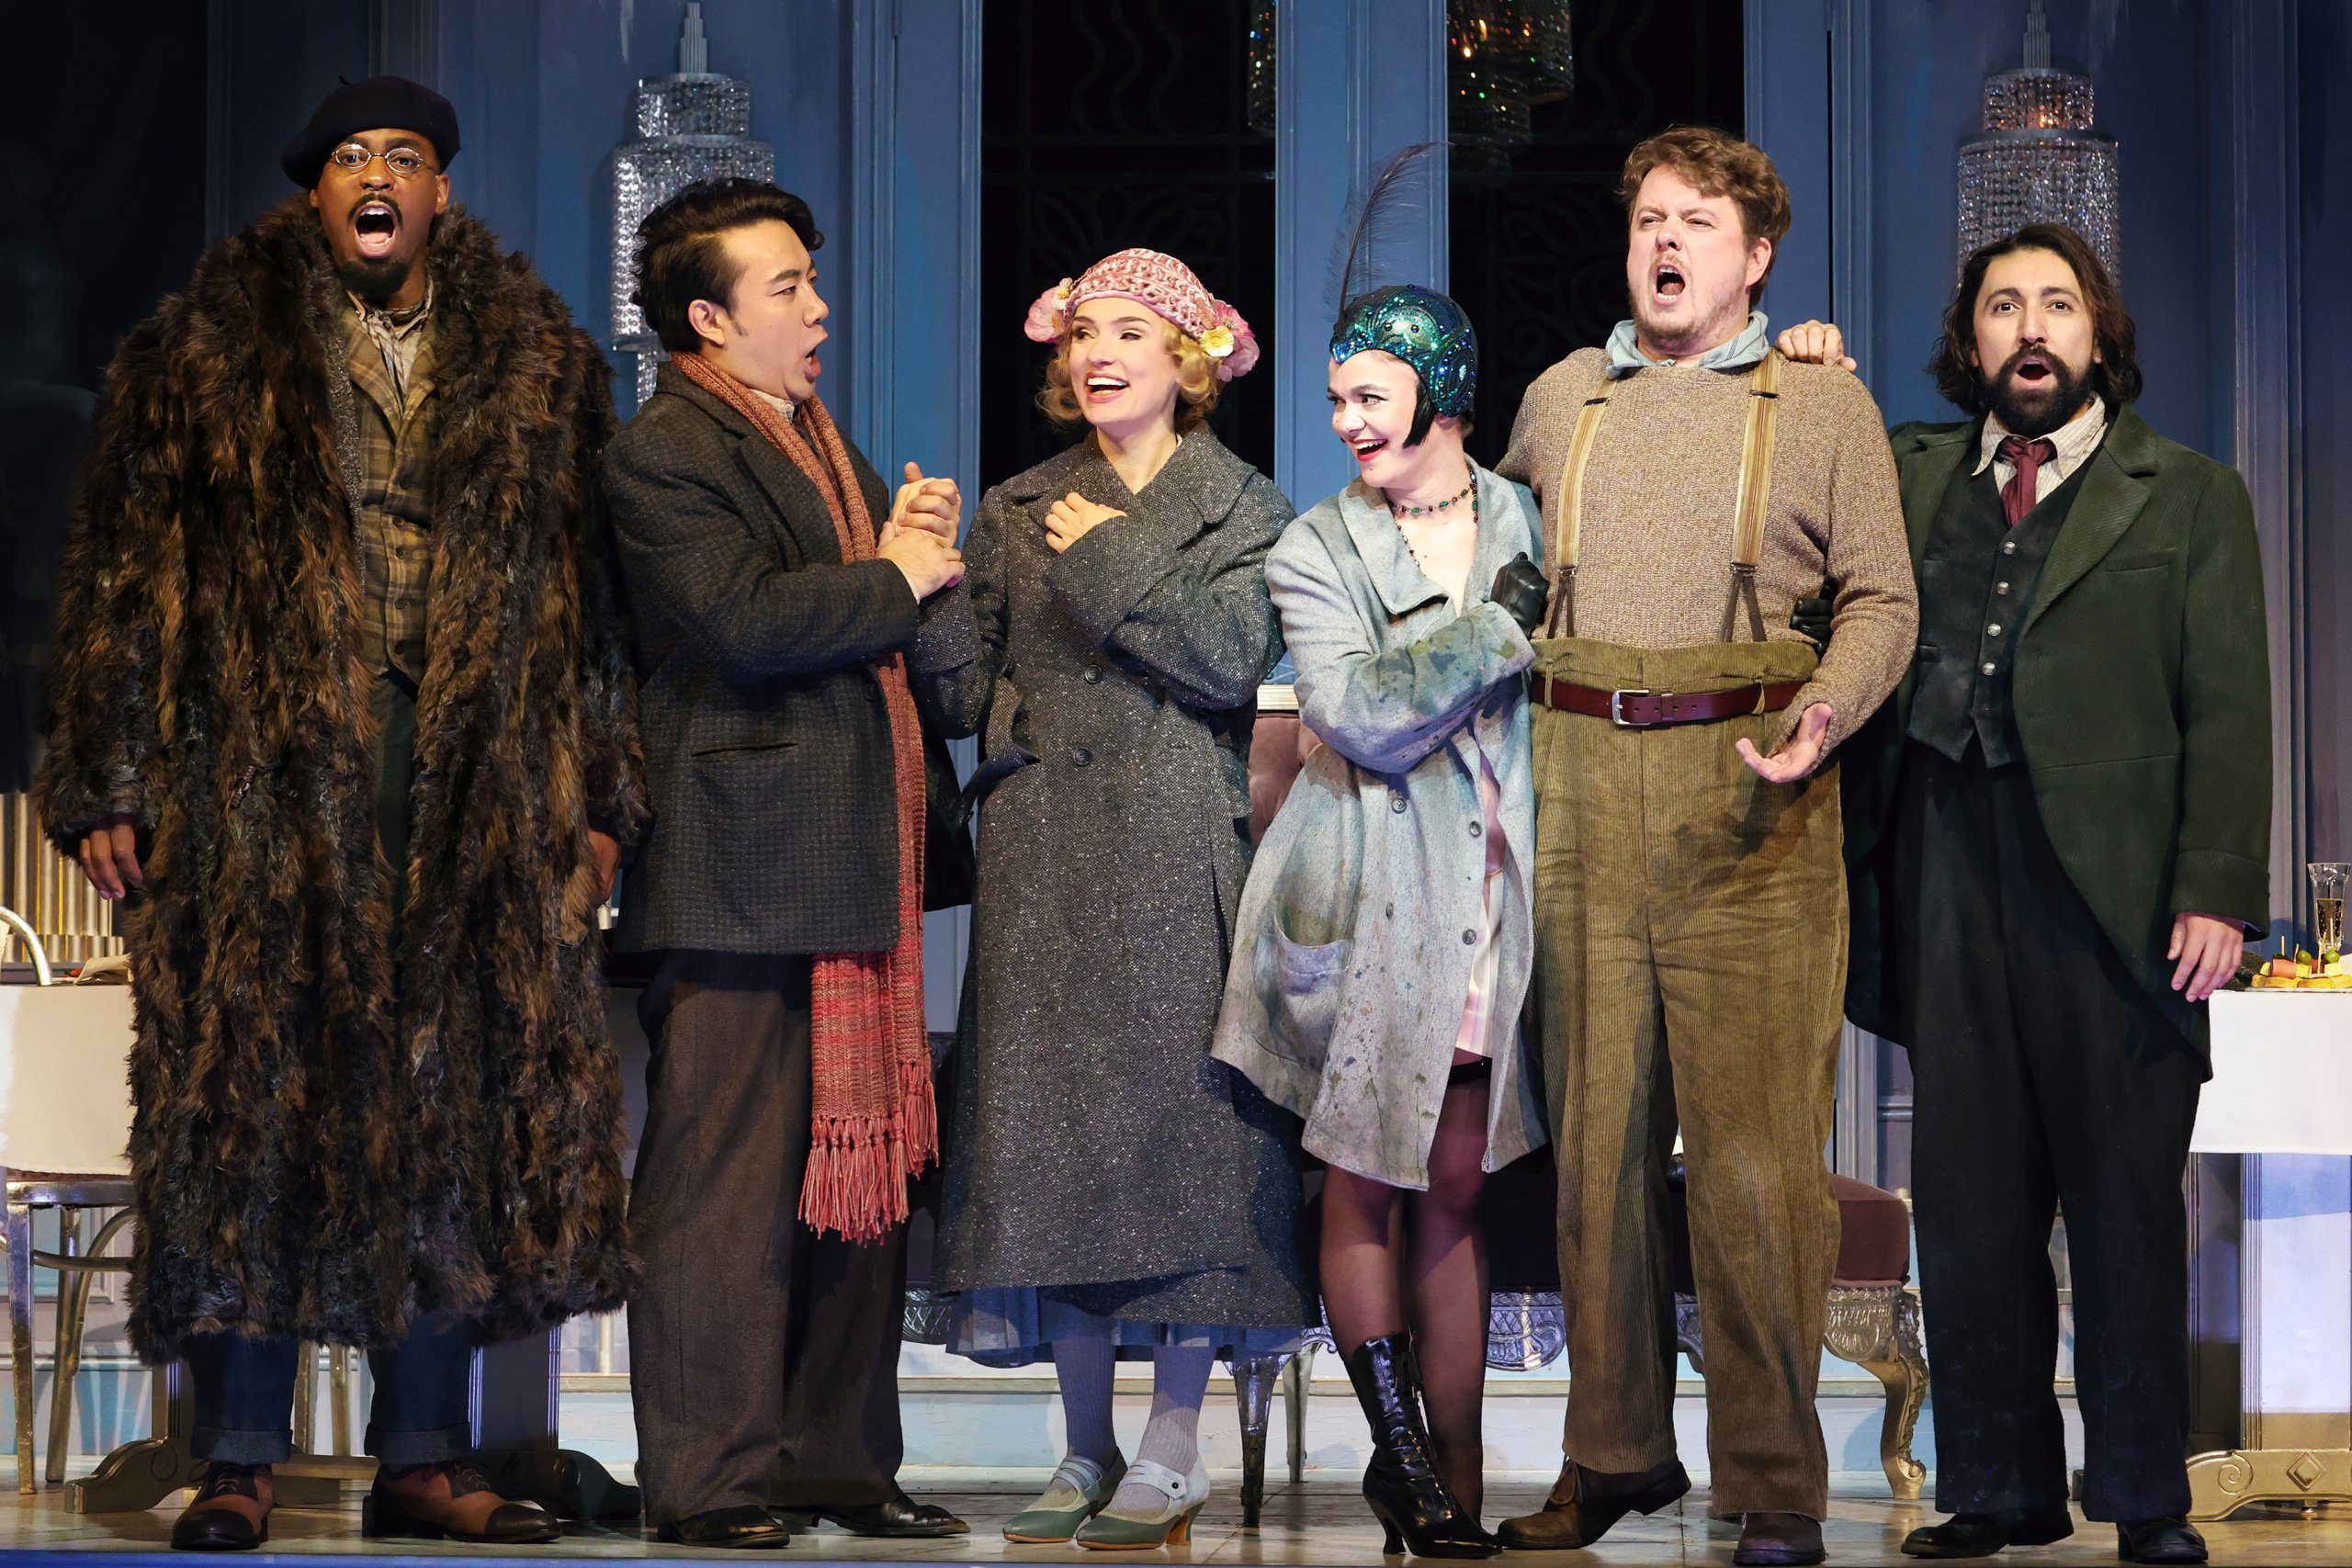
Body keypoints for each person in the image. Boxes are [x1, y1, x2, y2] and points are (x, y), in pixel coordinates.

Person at [36, 76, 641, 1550]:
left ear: (440, 191)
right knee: (250, 1095)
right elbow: (121, 570)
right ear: (316, 194)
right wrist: (108, 775)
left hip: (472, 780)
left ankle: (424, 1453)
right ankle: (238, 1452)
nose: (379, 178)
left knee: (449, 1099)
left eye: (407, 158)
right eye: (353, 160)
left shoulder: (541, 363)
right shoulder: (202, 353)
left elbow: (592, 605)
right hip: (256, 771)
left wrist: (601, 795)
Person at [1779, 224, 2269, 1568]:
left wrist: (2216, 887)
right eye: (2005, 307)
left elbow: (2225, 708)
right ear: (1972, 338)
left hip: (2112, 887)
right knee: (1970, 1197)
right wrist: (1810, 365)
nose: (2032, 327)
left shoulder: (2190, 495)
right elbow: (1799, 478)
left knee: (2121, 1202)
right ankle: (1994, 1487)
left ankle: (2145, 1497)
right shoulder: (1910, 464)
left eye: (2058, 304)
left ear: (2099, 334)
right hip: (1941, 854)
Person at [1491, 126, 1917, 1568]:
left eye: (1697, 223)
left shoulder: (1821, 403)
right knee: (1595, 1146)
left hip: (1752, 786)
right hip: (1578, 788)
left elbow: (1882, 602)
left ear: (1756, 257)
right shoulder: (1562, 400)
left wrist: (1823, 721)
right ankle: (1611, 1454)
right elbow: (1492, 575)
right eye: (1647, 221)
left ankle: (1774, 1481)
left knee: (1750, 1163)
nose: (1665, 243)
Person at [915, 248, 1313, 1551]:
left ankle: (1173, 1444)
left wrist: (1112, 558)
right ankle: (1082, 1450)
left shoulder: (1246, 506)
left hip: (1175, 844)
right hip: (1045, 861)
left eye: (1131, 333)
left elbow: (1224, 660)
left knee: (1186, 1148)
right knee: (1055, 1145)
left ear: (1185, 362)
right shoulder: (1018, 501)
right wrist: (920, 581)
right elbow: (961, 696)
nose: (1098, 352)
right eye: (1084, 331)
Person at [603, 176, 974, 1551]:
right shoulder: (665, 451)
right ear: (707, 320)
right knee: (726, 1192)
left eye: (815, 281)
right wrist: (899, 572)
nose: (819, 309)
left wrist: (914, 558)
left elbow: (881, 596)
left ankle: (835, 1463)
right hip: (742, 863)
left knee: (856, 1180)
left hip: (848, 859)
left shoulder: (815, 432)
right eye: (786, 289)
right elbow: (743, 623)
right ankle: (706, 1480)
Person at [1215, 283, 1550, 1559]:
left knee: (1455, 1190)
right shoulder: (1315, 549)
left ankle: (1456, 1491)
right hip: (1364, 896)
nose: (1348, 419)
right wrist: (1499, 631)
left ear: (1436, 389)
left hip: (1488, 900)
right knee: (1364, 1179)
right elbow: (1351, 715)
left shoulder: (1522, 511)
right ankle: (1399, 1463)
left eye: (1370, 393)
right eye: (1337, 397)